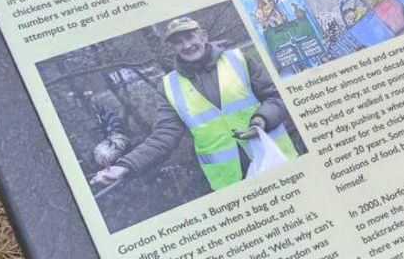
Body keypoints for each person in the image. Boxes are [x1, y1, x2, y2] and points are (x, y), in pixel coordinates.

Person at [90, 18, 297, 191]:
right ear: (173, 47)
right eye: (178, 42)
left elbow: (275, 97)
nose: (187, 45)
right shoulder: (169, 86)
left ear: (203, 36)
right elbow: (163, 137)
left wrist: (261, 120)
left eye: (190, 37)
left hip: (274, 159)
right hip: (230, 181)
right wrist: (125, 166)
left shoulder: (238, 59)